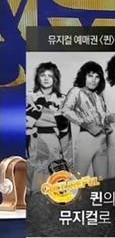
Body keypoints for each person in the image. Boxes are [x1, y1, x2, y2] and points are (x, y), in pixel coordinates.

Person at [25, 62, 71, 192]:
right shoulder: (29, 96)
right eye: (42, 75)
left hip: (55, 142)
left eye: (50, 76)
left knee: (57, 181)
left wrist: (39, 115)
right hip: (33, 141)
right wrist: (51, 116)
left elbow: (63, 126)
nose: (46, 78)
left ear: (55, 79)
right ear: (37, 78)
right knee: (34, 180)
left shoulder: (63, 99)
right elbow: (27, 122)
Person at [62, 61, 110, 179]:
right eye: (90, 76)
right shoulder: (76, 91)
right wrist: (86, 125)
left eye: (97, 77)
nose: (93, 80)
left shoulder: (99, 96)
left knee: (102, 179)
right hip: (86, 138)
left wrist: (106, 125)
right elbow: (65, 110)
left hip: (102, 140)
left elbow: (102, 115)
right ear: (84, 76)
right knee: (78, 179)